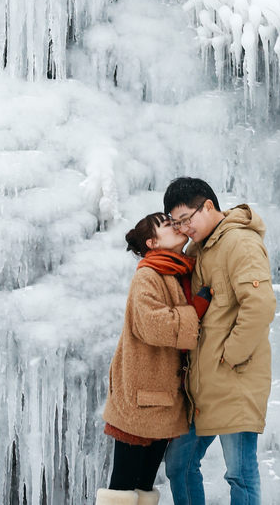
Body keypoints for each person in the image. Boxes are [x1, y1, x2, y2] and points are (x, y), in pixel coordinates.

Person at [161, 178, 276, 505]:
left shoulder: (240, 242)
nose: (183, 228)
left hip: (234, 381)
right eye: (176, 223)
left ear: (208, 206)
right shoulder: (200, 249)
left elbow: (260, 304)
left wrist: (231, 356)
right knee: (179, 465)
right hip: (204, 384)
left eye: (186, 219)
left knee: (240, 474)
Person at [99, 212, 211, 505]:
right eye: (167, 225)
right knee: (123, 486)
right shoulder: (148, 275)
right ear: (152, 242)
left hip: (162, 400)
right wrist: (194, 311)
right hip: (140, 400)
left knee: (144, 484)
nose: (176, 226)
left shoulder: (176, 272)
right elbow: (151, 324)